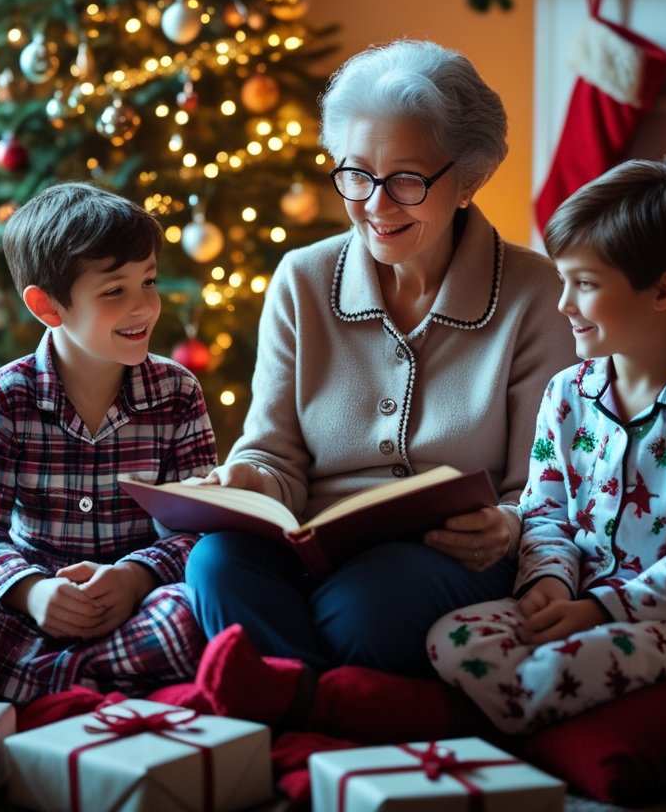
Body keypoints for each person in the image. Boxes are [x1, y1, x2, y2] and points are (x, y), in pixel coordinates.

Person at [184, 38, 576, 676]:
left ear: (468, 179)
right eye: (356, 173)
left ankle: (292, 695)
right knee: (215, 564)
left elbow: (541, 486)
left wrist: (506, 526)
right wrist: (247, 481)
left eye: (406, 179)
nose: (375, 203)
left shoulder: (536, 294)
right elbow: (271, 454)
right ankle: (338, 699)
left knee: (361, 611)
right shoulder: (301, 279)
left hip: (452, 555)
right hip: (313, 540)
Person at [427, 157, 666, 732]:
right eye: (564, 280)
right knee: (450, 639)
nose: (564, 304)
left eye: (584, 284)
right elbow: (543, 508)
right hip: (575, 596)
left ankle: (516, 731)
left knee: (565, 666)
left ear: (663, 291)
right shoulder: (567, 392)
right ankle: (533, 719)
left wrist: (600, 612)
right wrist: (550, 581)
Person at [0, 182, 219, 705]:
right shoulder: (7, 396)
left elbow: (200, 529)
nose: (144, 307)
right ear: (47, 306)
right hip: (28, 610)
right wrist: (33, 592)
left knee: (197, 612)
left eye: (147, 282)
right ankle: (97, 682)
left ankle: (18, 681)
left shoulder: (177, 393)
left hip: (138, 606)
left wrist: (133, 578)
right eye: (114, 291)